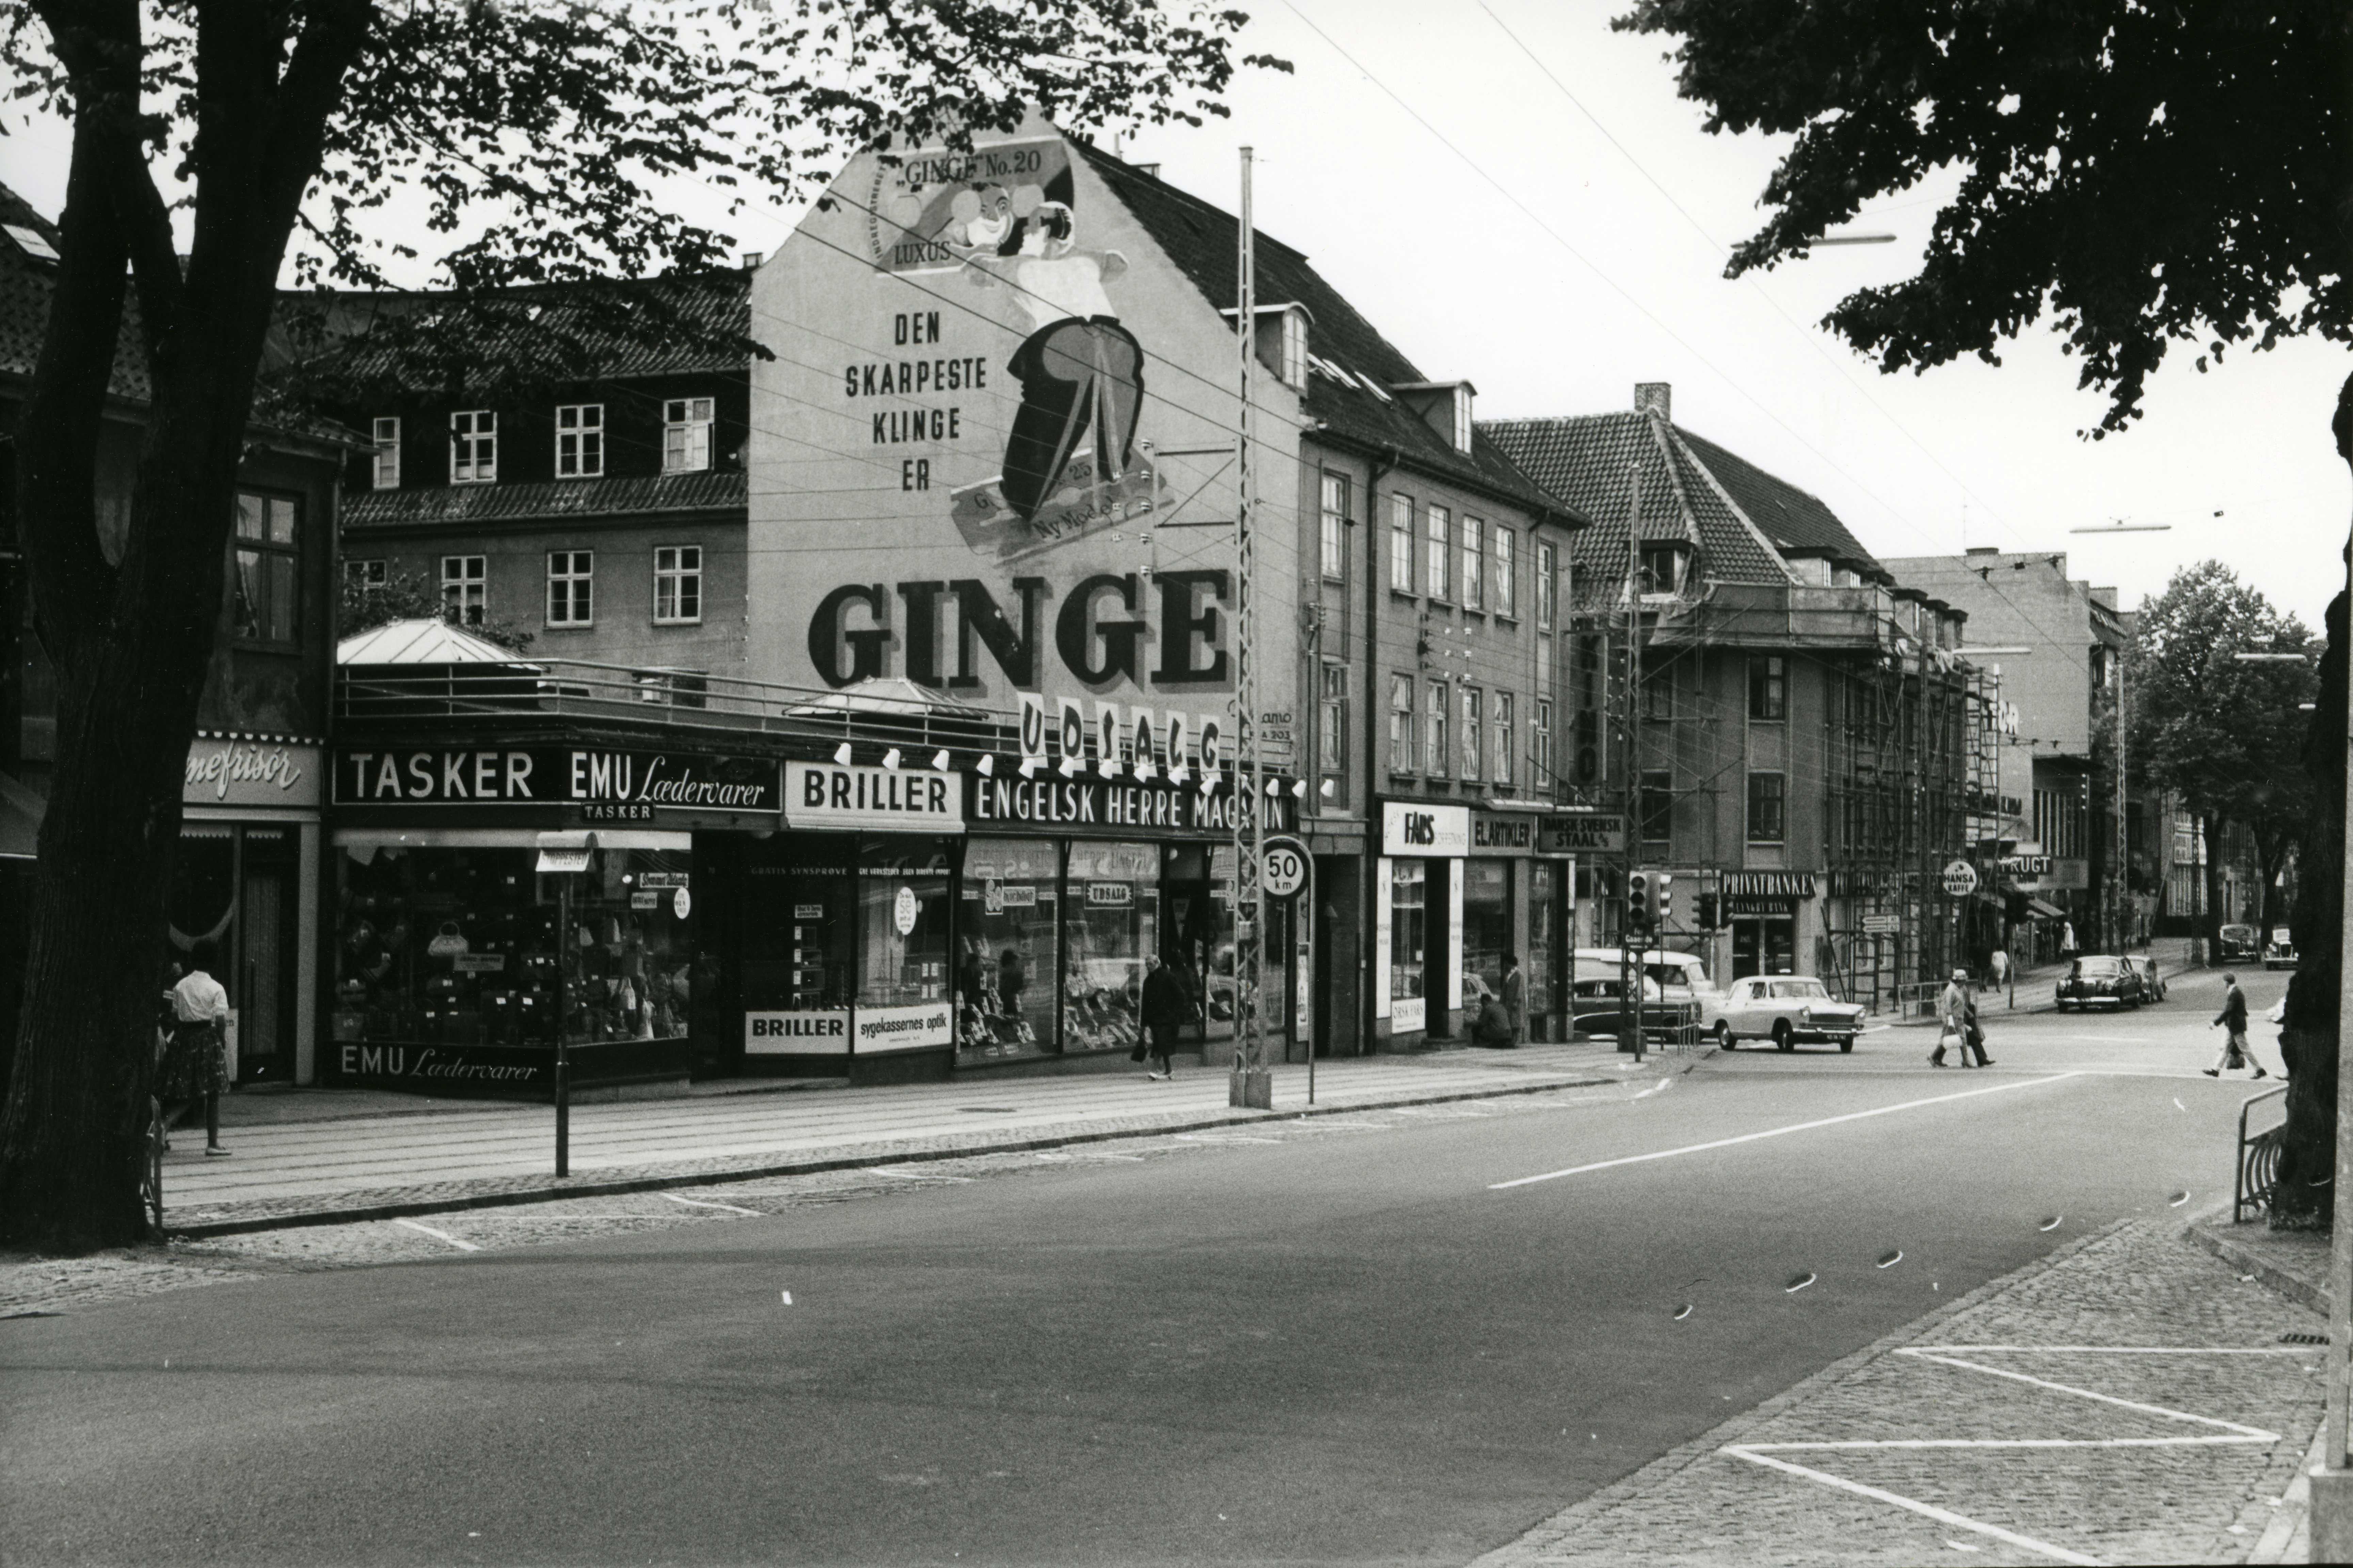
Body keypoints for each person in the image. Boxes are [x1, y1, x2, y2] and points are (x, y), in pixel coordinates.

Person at [162, 942, 230, 1140]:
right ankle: (213, 1142)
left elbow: (175, 1015)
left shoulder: (181, 985)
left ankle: (164, 1124)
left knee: (185, 1088)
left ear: (192, 960)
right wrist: (222, 1040)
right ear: (215, 962)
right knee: (213, 1091)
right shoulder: (216, 988)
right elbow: (220, 1020)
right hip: (207, 1039)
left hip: (183, 1038)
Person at [2204, 971, 2268, 1079]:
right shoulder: (2236, 992)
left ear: (2226, 983)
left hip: (2236, 1026)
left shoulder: (2234, 993)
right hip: (2233, 1026)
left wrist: (2215, 1023)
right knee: (2226, 1048)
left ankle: (2260, 1070)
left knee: (2244, 1049)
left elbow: (2229, 1011)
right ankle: (2216, 1070)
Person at [1138, 956, 1191, 1080]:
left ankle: (1154, 1070)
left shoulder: (1167, 976)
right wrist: (1143, 1023)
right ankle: (1169, 1070)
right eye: (1147, 964)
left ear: (1158, 963)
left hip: (1168, 1018)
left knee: (1160, 1043)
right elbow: (1145, 1003)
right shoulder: (1148, 980)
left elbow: (1181, 995)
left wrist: (1174, 1012)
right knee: (1162, 1043)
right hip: (1155, 1019)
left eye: (1151, 964)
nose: (1148, 966)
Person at [1501, 954, 1526, 1046]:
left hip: (1515, 1002)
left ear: (1510, 964)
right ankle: (1512, 1040)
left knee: (1516, 1022)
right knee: (1511, 1021)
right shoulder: (1508, 974)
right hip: (1508, 1001)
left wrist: (1516, 1001)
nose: (1505, 966)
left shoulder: (1519, 975)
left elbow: (1520, 989)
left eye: (1506, 964)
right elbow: (1505, 987)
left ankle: (1516, 1041)